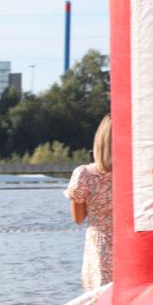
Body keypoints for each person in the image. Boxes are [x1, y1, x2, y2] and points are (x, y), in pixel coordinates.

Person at [65, 114, 113, 291]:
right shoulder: (134, 173)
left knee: (99, 301)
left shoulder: (85, 174)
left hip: (100, 246)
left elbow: (78, 218)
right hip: (131, 244)